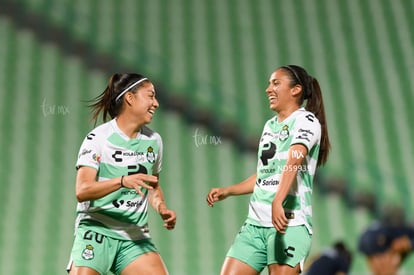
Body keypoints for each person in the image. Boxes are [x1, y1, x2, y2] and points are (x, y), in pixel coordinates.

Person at [206, 65, 330, 275]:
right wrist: (228, 190)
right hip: (254, 226)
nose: (268, 89)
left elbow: (295, 159)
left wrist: (278, 199)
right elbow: (266, 175)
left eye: (276, 83)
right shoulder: (270, 126)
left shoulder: (306, 121)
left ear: (295, 90)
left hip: (289, 223)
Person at [66, 73, 176, 275]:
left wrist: (161, 207)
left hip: (134, 235)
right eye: (150, 96)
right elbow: (82, 190)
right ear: (130, 98)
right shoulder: (97, 139)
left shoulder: (154, 141)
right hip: (96, 229)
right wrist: (123, 181)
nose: (156, 103)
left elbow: (152, 185)